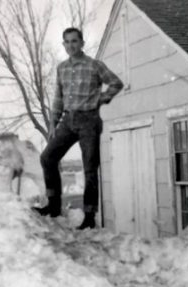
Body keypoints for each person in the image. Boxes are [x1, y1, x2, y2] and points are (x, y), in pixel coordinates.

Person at [32, 27, 124, 230]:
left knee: (90, 168)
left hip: (89, 121)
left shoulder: (94, 65)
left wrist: (100, 99)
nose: (71, 45)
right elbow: (58, 97)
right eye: (67, 42)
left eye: (75, 41)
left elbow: (116, 83)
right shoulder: (62, 68)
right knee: (47, 158)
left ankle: (89, 216)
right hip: (68, 120)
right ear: (63, 45)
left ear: (82, 43)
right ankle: (53, 206)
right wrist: (53, 125)